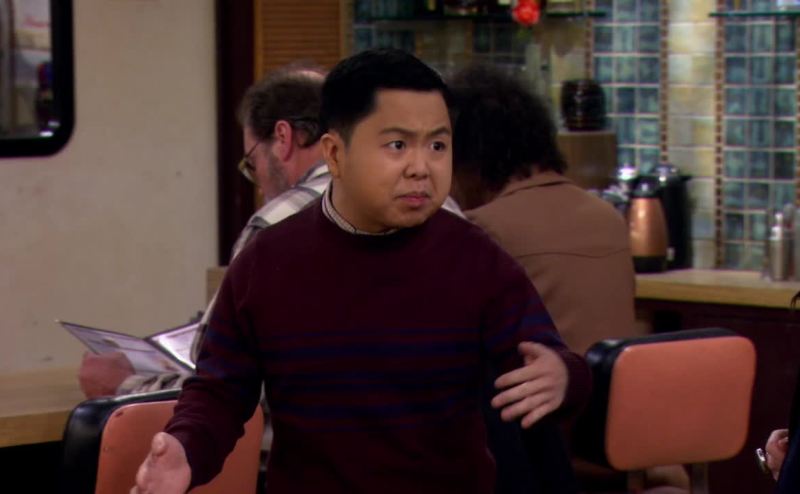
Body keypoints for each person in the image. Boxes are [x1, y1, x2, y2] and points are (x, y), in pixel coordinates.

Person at [131, 48, 591, 494]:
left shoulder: (474, 257)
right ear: (334, 154)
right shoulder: (267, 261)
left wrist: (564, 376)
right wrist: (185, 450)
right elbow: (220, 392)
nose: (421, 168)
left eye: (437, 145)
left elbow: (547, 359)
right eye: (397, 145)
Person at [447, 64, 687, 493]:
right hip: (630, 442)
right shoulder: (607, 217)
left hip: (548, 452)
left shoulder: (482, 230)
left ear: (467, 156)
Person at [78, 64, 330, 398]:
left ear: (283, 138)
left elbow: (216, 382)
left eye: (252, 164)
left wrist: (123, 385)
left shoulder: (276, 225)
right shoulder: (384, 206)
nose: (259, 188)